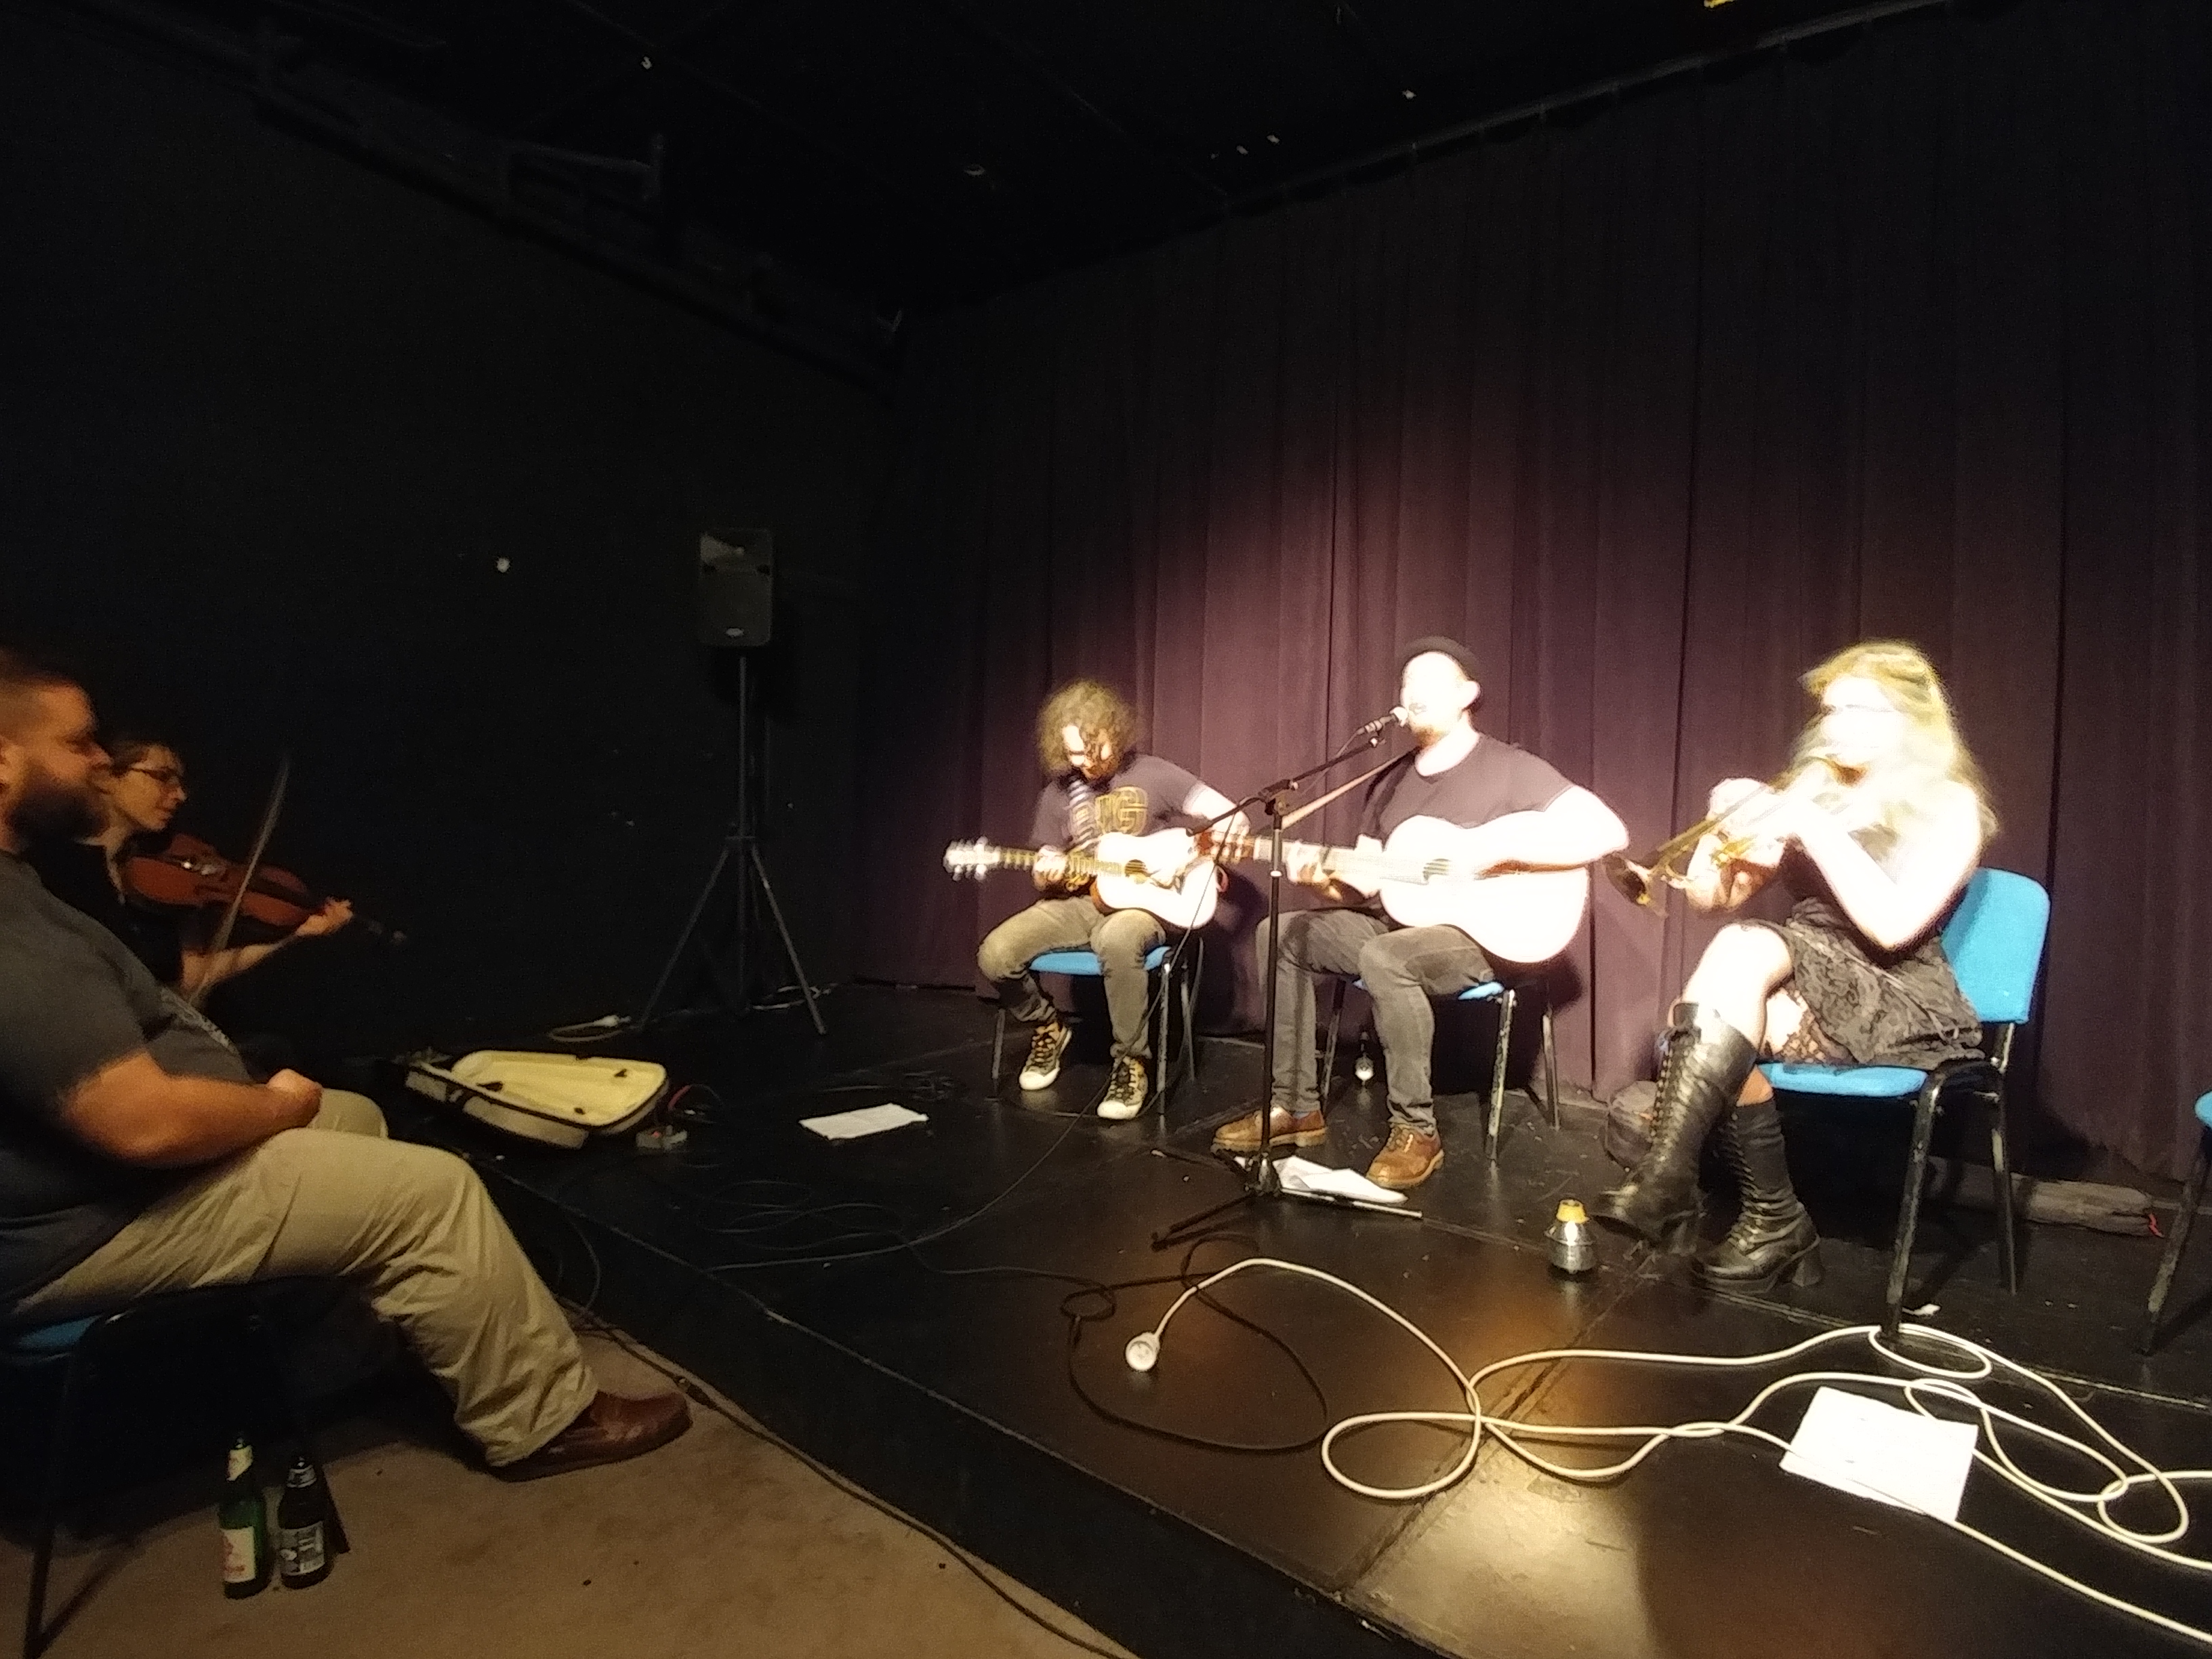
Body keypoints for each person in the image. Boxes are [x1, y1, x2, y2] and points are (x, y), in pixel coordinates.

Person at [0, 649, 688, 1479]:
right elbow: (143, 1127)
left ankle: (338, 1362)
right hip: (82, 1232)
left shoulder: (25, 889)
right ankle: (544, 1420)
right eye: (78, 743)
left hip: (91, 1199)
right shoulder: (11, 930)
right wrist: (276, 1108)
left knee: (354, 1116)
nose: (100, 763)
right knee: (431, 1192)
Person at [1592, 640, 1991, 1292]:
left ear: (1913, 720)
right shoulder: (1817, 788)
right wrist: (1719, 839)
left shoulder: (1949, 805)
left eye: (1860, 710)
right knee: (1707, 1018)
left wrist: (1811, 823)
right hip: (1802, 965)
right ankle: (1768, 1215)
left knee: (1741, 958)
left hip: (1893, 986)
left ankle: (1674, 1178)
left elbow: (1892, 927)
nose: (1836, 726)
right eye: (1831, 711)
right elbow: (1713, 903)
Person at [1212, 638, 1628, 1190]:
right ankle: (1296, 1106)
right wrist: (1321, 879)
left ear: (1467, 695)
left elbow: (1607, 831)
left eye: (1429, 680)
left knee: (1388, 957)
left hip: (1490, 937)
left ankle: (1416, 1130)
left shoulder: (1511, 768)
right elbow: (1365, 883)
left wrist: (1495, 851)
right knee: (1282, 934)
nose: (1412, 692)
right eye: (1407, 682)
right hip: (1402, 924)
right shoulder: (1387, 782)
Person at [978, 678, 1245, 1120]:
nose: (1085, 762)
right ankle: (1048, 1027)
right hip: (1081, 900)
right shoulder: (1059, 794)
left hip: (1145, 904)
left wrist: (1185, 859)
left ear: (1114, 733)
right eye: (1074, 754)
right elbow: (1045, 872)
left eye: (1093, 749)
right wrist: (1047, 872)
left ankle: (1131, 1062)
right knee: (996, 953)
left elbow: (1234, 817)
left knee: (1118, 939)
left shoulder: (1155, 774)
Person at [26, 733, 353, 998]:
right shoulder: (52, 868)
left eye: (179, 782)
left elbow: (191, 976)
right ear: (107, 778)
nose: (180, 795)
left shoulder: (166, 881)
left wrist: (292, 935)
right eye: (162, 777)